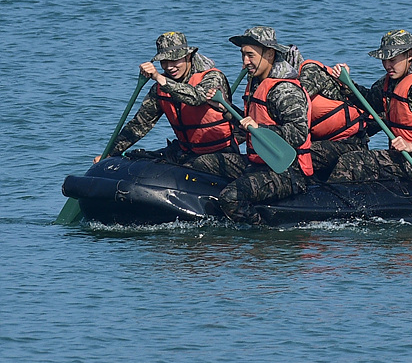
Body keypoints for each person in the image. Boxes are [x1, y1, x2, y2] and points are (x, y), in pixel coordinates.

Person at [213, 26, 314, 223]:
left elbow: (299, 132)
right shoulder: (258, 83)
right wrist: (225, 109)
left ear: (269, 53)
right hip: (257, 163)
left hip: (286, 171)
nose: (245, 62)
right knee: (202, 164)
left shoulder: (284, 90)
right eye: (243, 55)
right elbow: (250, 123)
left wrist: (261, 129)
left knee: (230, 197)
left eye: (250, 55)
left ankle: (262, 233)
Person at [329, 30, 412, 183]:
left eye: (392, 59)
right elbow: (370, 101)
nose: (387, 65)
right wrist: (348, 84)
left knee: (352, 162)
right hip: (403, 157)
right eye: (384, 60)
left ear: (409, 55)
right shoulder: (389, 81)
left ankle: (337, 205)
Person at [98, 32, 237, 165]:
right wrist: (109, 153)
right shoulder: (160, 88)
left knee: (197, 165)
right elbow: (140, 124)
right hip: (186, 152)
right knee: (138, 158)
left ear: (188, 57)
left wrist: (159, 77)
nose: (169, 67)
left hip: (221, 153)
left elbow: (197, 97)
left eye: (175, 60)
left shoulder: (212, 78)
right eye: (164, 62)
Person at [296, 53, 373, 177]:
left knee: (302, 155)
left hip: (349, 143)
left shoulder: (310, 73)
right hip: (328, 139)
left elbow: (296, 103)